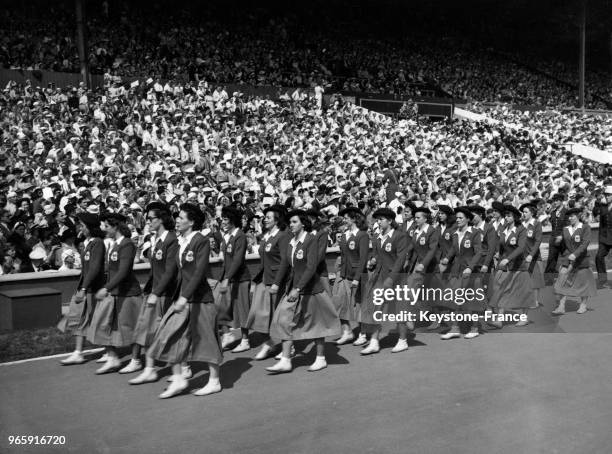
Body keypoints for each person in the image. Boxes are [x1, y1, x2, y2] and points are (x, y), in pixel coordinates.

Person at [148, 203, 223, 398]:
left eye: (181, 217)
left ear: (192, 221)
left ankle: (214, 381)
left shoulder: (201, 241)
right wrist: (157, 291)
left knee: (207, 339)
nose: (177, 220)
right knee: (171, 335)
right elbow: (171, 271)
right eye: (177, 217)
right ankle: (179, 379)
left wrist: (184, 297)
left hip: (199, 300)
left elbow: (198, 273)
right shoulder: (180, 241)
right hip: (182, 298)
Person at [267, 210, 341, 373]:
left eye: (294, 222)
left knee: (316, 324)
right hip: (293, 288)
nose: (291, 225)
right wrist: (276, 284)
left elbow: (311, 267)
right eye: (290, 223)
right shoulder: (291, 242)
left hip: (310, 289)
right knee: (284, 320)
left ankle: (320, 358)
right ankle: (286, 360)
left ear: (303, 223)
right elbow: (285, 265)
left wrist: (298, 288)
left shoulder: (310, 240)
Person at [129, 202, 179, 385]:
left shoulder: (171, 240)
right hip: (155, 291)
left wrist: (156, 293)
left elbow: (170, 271)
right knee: (149, 329)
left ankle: (183, 367)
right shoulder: (155, 239)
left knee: (170, 331)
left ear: (162, 219)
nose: (147, 222)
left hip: (166, 294)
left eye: (151, 219)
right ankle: (150, 369)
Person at [89, 213, 144, 374]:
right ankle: (112, 357)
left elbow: (124, 271)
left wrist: (106, 288)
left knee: (131, 327)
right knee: (101, 323)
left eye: (106, 226)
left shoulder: (127, 244)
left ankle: (136, 360)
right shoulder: (113, 244)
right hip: (114, 292)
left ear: (115, 227)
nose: (104, 229)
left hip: (128, 293)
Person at [58, 212, 106, 365]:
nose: (80, 227)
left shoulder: (97, 242)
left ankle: (109, 350)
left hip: (94, 288)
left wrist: (84, 288)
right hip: (87, 287)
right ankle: (78, 352)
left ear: (90, 227)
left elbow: (94, 268)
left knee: (98, 319)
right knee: (81, 319)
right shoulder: (87, 243)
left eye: (83, 225)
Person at [360, 208, 408, 355]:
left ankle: (403, 340)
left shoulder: (400, 236)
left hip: (396, 278)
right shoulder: (377, 236)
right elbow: (377, 254)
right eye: (377, 219)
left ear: (390, 221)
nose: (378, 222)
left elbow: (400, 260)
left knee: (399, 310)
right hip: (379, 277)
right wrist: (372, 261)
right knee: (376, 308)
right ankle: (374, 341)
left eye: (381, 219)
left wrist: (391, 278)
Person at [246, 205, 291, 360]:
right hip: (264, 280)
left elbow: (285, 260)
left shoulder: (283, 235)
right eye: (265, 217)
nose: (265, 220)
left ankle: (288, 348)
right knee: (256, 314)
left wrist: (277, 283)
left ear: (277, 220)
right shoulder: (266, 235)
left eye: (269, 217)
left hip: (277, 281)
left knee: (281, 317)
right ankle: (269, 342)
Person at [439, 206, 484, 339]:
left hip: (470, 271)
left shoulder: (475, 232)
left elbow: (479, 252)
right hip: (457, 270)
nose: (457, 220)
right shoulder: (455, 233)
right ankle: (454, 328)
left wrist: (470, 267)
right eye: (457, 218)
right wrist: (447, 258)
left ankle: (475, 328)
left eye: (461, 218)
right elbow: (454, 248)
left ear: (468, 219)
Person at [488, 204, 534, 327]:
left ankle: (524, 318)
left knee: (523, 292)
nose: (506, 218)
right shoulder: (503, 229)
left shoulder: (521, 230)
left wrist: (508, 259)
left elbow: (521, 248)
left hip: (519, 266)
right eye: (505, 216)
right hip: (505, 266)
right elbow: (501, 244)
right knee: (502, 289)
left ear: (515, 217)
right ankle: (499, 319)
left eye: (509, 216)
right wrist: (498, 253)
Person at [332, 207, 369, 345]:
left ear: (354, 218)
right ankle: (347, 331)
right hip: (344, 274)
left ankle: (363, 334)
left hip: (356, 276)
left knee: (359, 305)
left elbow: (363, 258)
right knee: (339, 303)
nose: (345, 220)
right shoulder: (345, 234)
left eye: (347, 217)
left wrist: (357, 278)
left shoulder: (362, 235)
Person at [218, 205, 252, 352]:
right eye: (222, 219)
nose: (223, 222)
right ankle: (227, 334)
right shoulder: (226, 237)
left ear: (232, 220)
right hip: (229, 279)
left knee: (243, 310)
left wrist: (227, 278)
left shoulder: (240, 236)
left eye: (225, 219)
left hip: (241, 279)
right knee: (221, 307)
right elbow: (227, 262)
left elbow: (238, 260)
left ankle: (245, 340)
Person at [552, 207, 597, 315]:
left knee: (583, 283)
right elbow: (565, 246)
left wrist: (575, 254)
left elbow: (585, 243)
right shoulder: (565, 229)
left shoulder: (585, 227)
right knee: (561, 281)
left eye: (572, 216)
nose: (570, 218)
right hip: (568, 259)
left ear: (578, 216)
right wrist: (559, 241)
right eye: (569, 216)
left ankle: (583, 305)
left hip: (582, 259)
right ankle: (561, 306)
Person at [520, 203, 545, 308]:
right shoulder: (521, 224)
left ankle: (535, 301)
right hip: (522, 256)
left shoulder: (536, 224)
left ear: (532, 213)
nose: (524, 214)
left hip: (533, 257)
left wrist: (531, 255)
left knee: (535, 280)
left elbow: (538, 240)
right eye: (523, 212)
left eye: (526, 212)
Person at [544, 193, 568, 285]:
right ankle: (548, 279)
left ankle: (571, 277)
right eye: (554, 200)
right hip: (554, 238)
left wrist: (562, 235)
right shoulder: (553, 212)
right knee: (551, 259)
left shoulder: (566, 212)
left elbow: (567, 226)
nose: (555, 202)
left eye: (557, 200)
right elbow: (553, 225)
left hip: (564, 239)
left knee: (568, 258)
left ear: (561, 201)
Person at [592, 186, 612, 288]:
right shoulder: (602, 206)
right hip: (604, 238)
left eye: (609, 195)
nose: (607, 196)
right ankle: (602, 280)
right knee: (599, 257)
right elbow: (595, 211)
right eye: (606, 195)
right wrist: (599, 201)